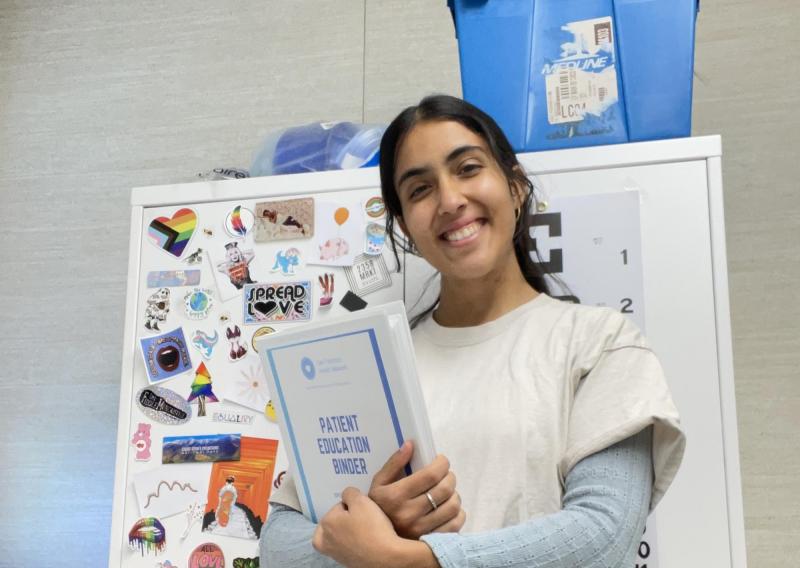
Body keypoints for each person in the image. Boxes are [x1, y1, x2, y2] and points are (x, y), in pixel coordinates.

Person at [260, 95, 685, 567]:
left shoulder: (599, 343)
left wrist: (408, 560)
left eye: (467, 168)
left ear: (516, 186)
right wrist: (374, 521)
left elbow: (604, 535)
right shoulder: (371, 364)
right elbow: (278, 545)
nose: (449, 201)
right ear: (405, 227)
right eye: (420, 190)